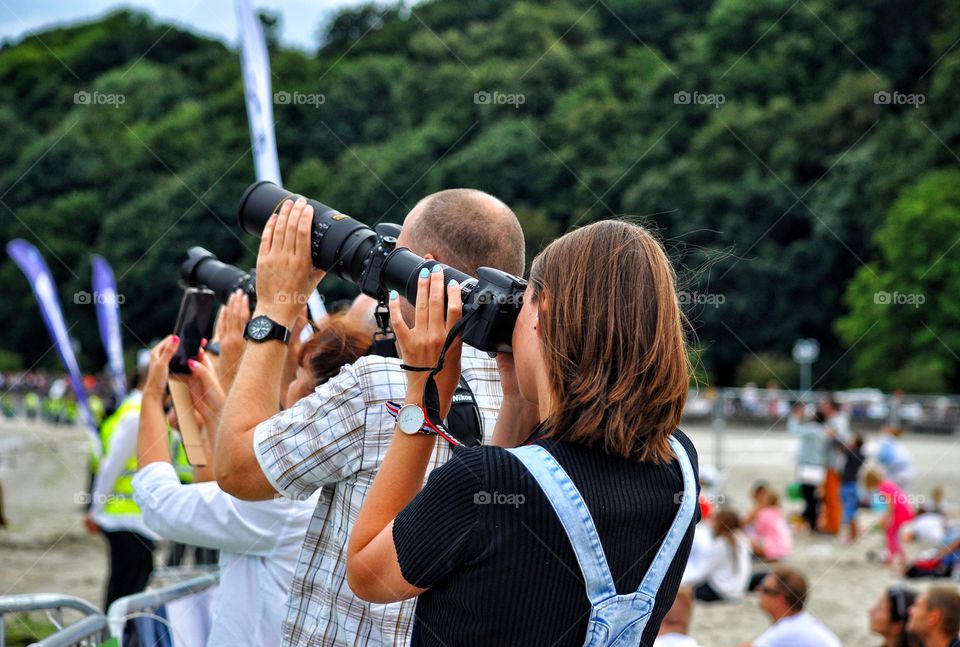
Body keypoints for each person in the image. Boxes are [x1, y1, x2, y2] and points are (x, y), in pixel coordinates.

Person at [347, 221, 699, 645]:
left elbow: (368, 575)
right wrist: (515, 400)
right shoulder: (681, 464)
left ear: (544, 310)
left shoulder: (484, 479)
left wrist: (423, 393)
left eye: (525, 297)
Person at [215, 190, 526, 645]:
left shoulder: (379, 388)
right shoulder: (532, 394)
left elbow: (236, 469)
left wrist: (275, 309)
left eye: (396, 252)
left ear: (426, 272)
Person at [133, 333, 317, 647]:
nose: (290, 384)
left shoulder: (283, 498)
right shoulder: (306, 479)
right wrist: (200, 426)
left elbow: (159, 503)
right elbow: (219, 487)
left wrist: (151, 394)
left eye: (299, 373)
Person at [85, 354, 159, 609]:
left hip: (133, 519)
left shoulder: (138, 409)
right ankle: (113, 640)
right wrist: (95, 511)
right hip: (125, 519)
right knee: (124, 591)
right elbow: (110, 467)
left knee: (129, 587)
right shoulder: (136, 414)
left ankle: (118, 638)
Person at [740, 567, 841, 647]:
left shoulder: (789, 629)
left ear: (780, 600)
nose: (758, 590)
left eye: (765, 589)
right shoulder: (802, 622)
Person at [683, 508, 751, 602]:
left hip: (722, 591)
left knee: (686, 591)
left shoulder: (721, 544)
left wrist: (681, 581)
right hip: (739, 588)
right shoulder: (742, 539)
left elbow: (703, 572)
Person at [788, 404, 827, 533]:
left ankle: (809, 523)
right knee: (814, 499)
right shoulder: (823, 430)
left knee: (808, 498)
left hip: (808, 468)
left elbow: (793, 430)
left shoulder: (811, 429)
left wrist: (796, 415)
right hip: (818, 469)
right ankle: (812, 524)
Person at [865, 467, 915, 568]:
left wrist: (886, 519)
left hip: (901, 512)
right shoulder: (888, 484)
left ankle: (892, 559)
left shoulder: (883, 487)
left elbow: (891, 505)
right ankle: (902, 559)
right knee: (894, 535)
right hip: (906, 510)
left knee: (890, 533)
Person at [821, 399, 850, 535]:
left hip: (835, 464)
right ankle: (829, 523)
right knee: (827, 495)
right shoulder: (833, 420)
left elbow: (843, 441)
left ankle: (834, 526)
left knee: (833, 496)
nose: (823, 407)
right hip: (829, 463)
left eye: (825, 405)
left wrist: (831, 435)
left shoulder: (838, 420)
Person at [745, 482, 793, 562]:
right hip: (786, 550)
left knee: (747, 539)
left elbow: (756, 530)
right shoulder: (779, 512)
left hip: (773, 550)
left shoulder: (762, 512)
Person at [840, 433, 865, 543]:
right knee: (852, 511)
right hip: (854, 484)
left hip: (848, 484)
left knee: (848, 511)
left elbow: (841, 447)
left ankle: (850, 536)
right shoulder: (862, 455)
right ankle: (854, 533)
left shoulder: (851, 453)